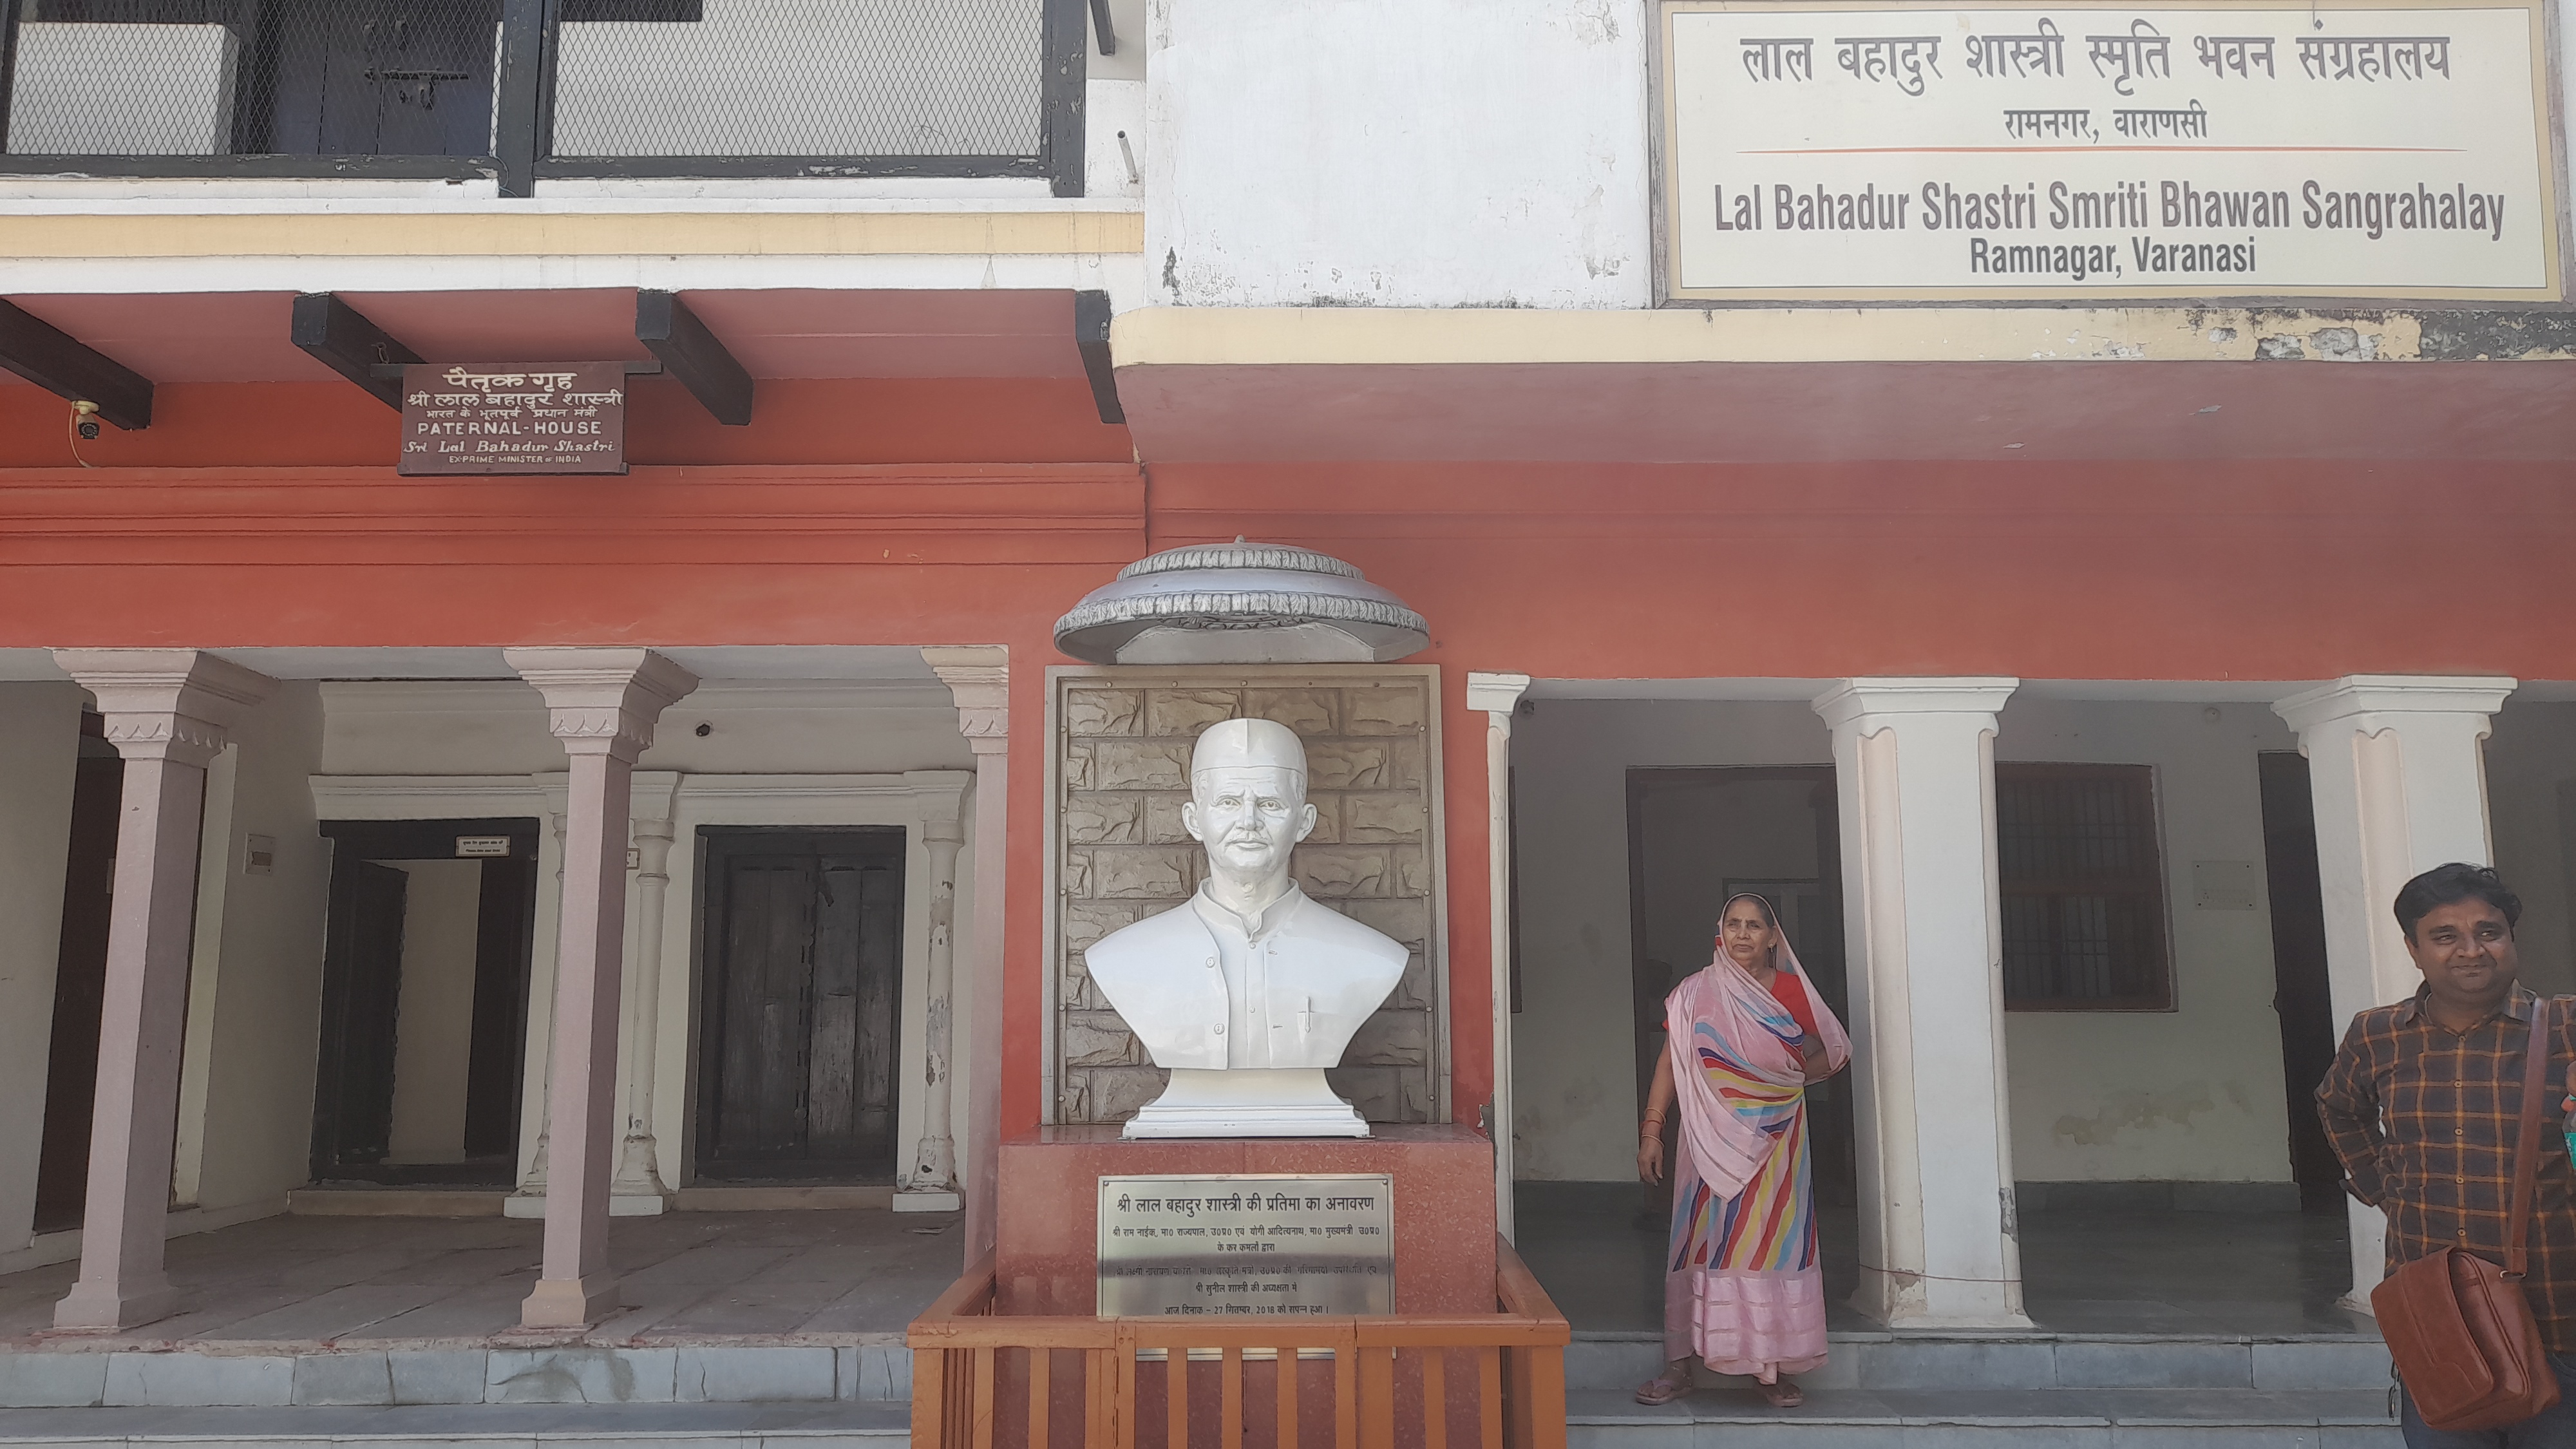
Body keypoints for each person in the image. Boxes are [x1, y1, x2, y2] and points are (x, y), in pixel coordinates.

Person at [2317, 862, 2576, 1446]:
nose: (2471, 951)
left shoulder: (2566, 1027)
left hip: (2558, 1317)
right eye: (2445, 936)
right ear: (2413, 949)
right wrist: (2381, 1187)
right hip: (2437, 1321)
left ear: (2511, 939)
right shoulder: (2377, 1034)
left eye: (2488, 932)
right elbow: (2337, 1107)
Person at [1634, 892, 1851, 1409]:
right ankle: (1679, 1365)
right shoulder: (1693, 994)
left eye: (1755, 925)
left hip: (1778, 1144)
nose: (1743, 934)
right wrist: (1651, 1130)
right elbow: (1670, 1064)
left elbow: (1832, 1049)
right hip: (1707, 1140)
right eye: (1734, 924)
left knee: (1771, 1244)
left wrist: (1789, 1079)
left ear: (1774, 937)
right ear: (1719, 931)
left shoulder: (1794, 993)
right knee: (1699, 1242)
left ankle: (1769, 1369)